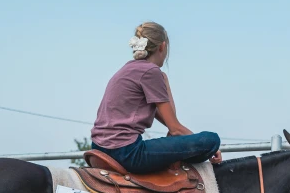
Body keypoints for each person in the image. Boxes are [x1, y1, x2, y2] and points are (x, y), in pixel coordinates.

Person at [91, 22, 222, 173]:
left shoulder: (128, 68)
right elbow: (175, 129)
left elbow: (169, 124)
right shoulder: (151, 72)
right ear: (162, 46)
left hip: (99, 147)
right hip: (126, 152)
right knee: (211, 139)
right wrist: (210, 148)